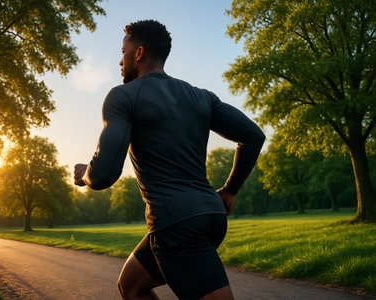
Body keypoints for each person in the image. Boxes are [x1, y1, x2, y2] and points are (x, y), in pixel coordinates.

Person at [74, 20, 265, 300]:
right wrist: (230, 190)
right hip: (210, 215)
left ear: (138, 53)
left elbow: (103, 175)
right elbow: (253, 136)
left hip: (176, 224)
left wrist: (85, 174)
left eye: (123, 50)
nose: (120, 60)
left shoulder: (123, 97)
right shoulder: (202, 97)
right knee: (131, 285)